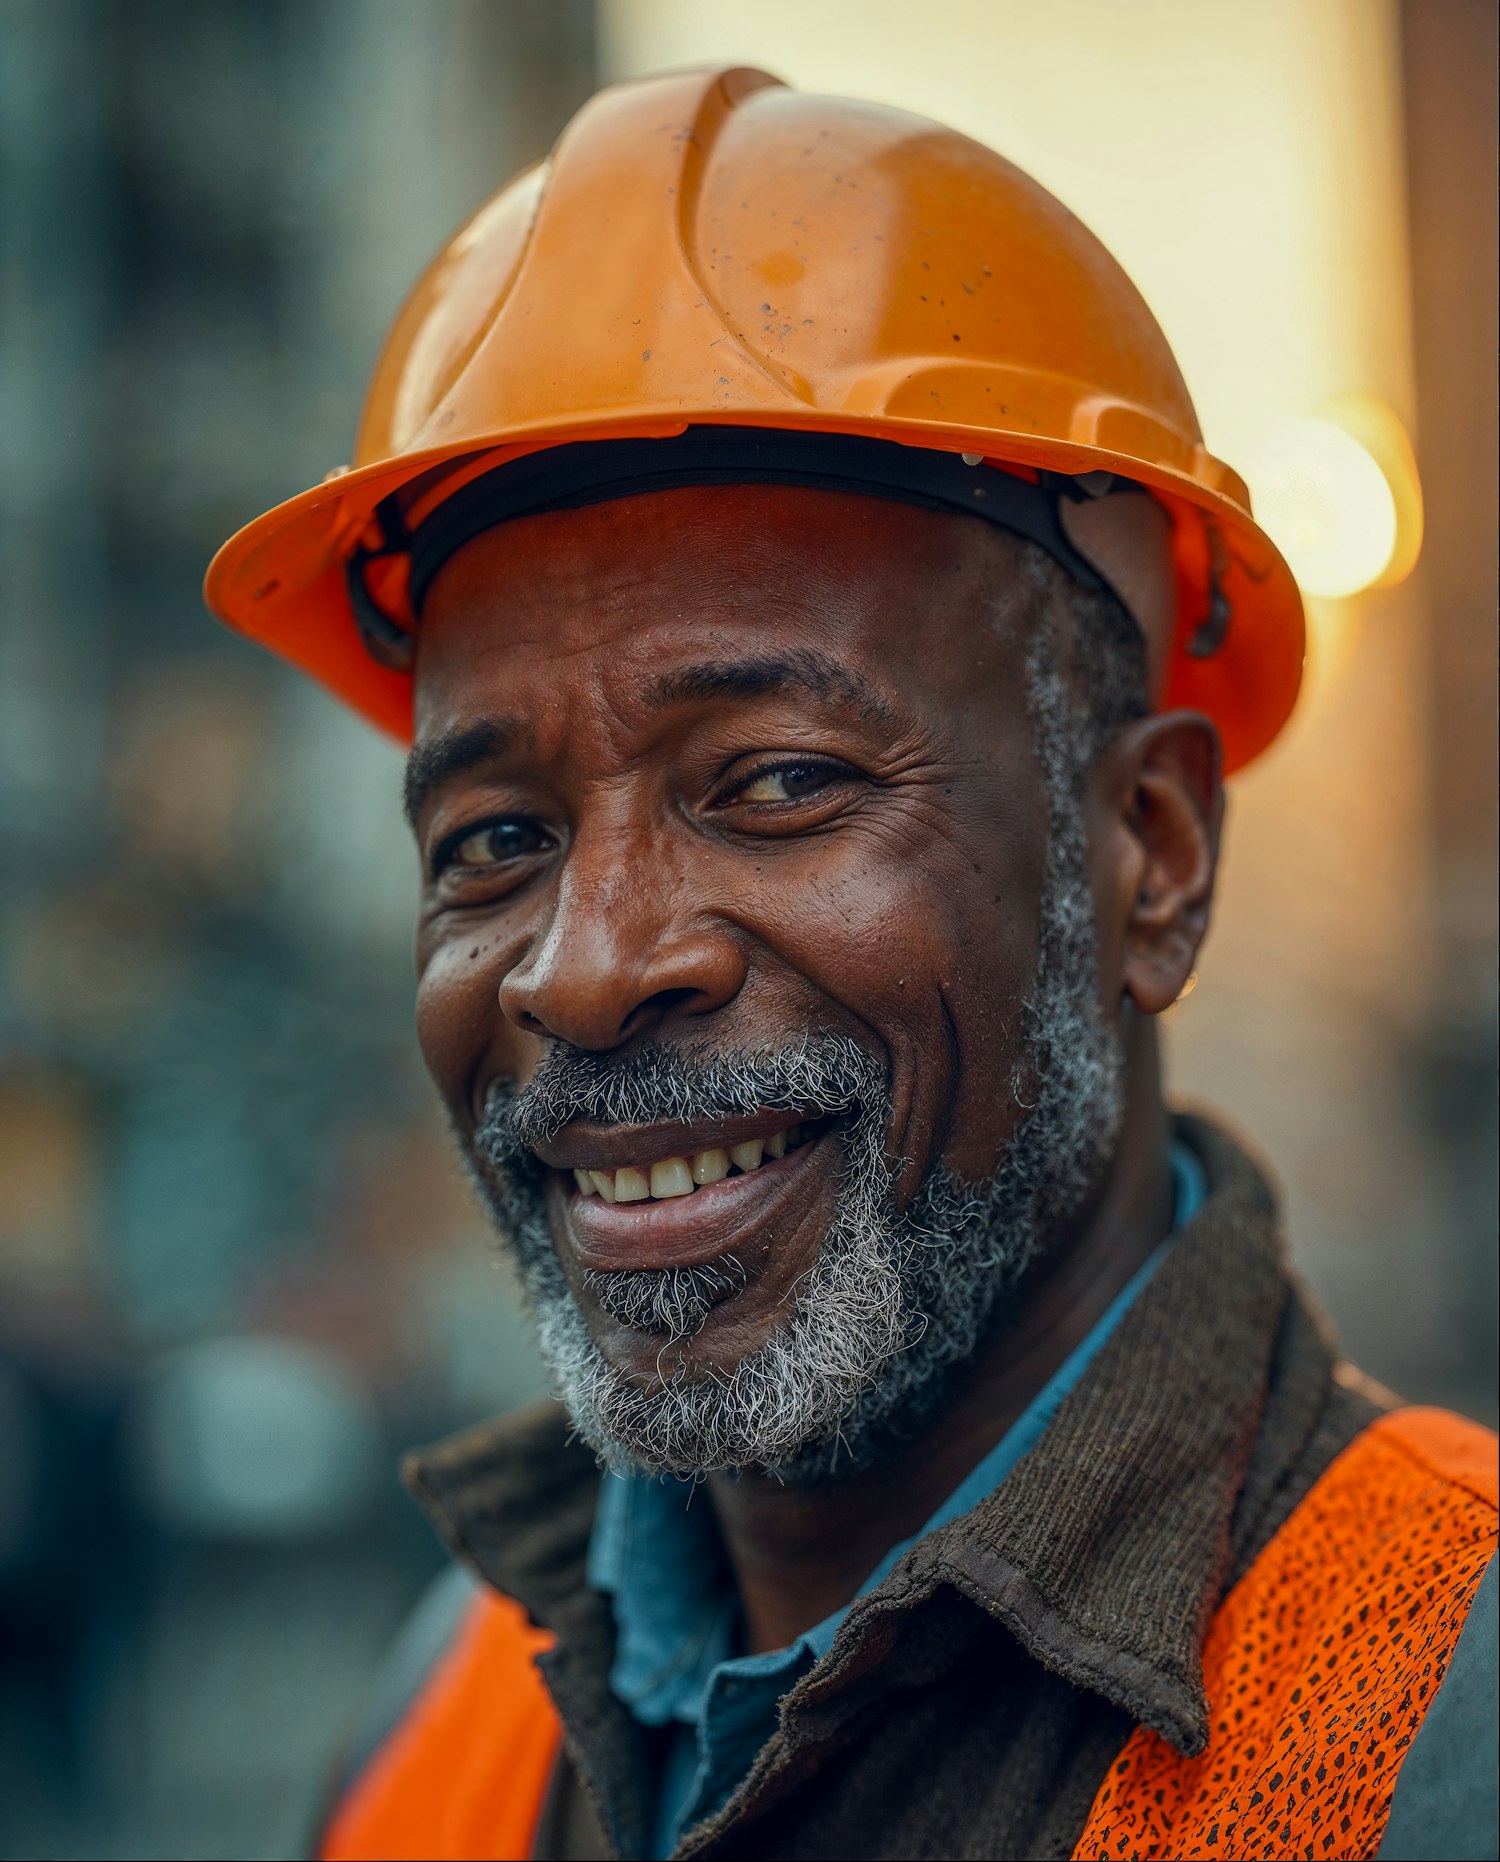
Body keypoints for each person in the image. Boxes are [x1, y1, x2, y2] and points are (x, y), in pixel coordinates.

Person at [205, 67, 1497, 1862]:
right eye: (493, 838)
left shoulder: (1454, 1709)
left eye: (781, 782)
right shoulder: (452, 1709)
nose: (584, 972)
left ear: (1149, 856)